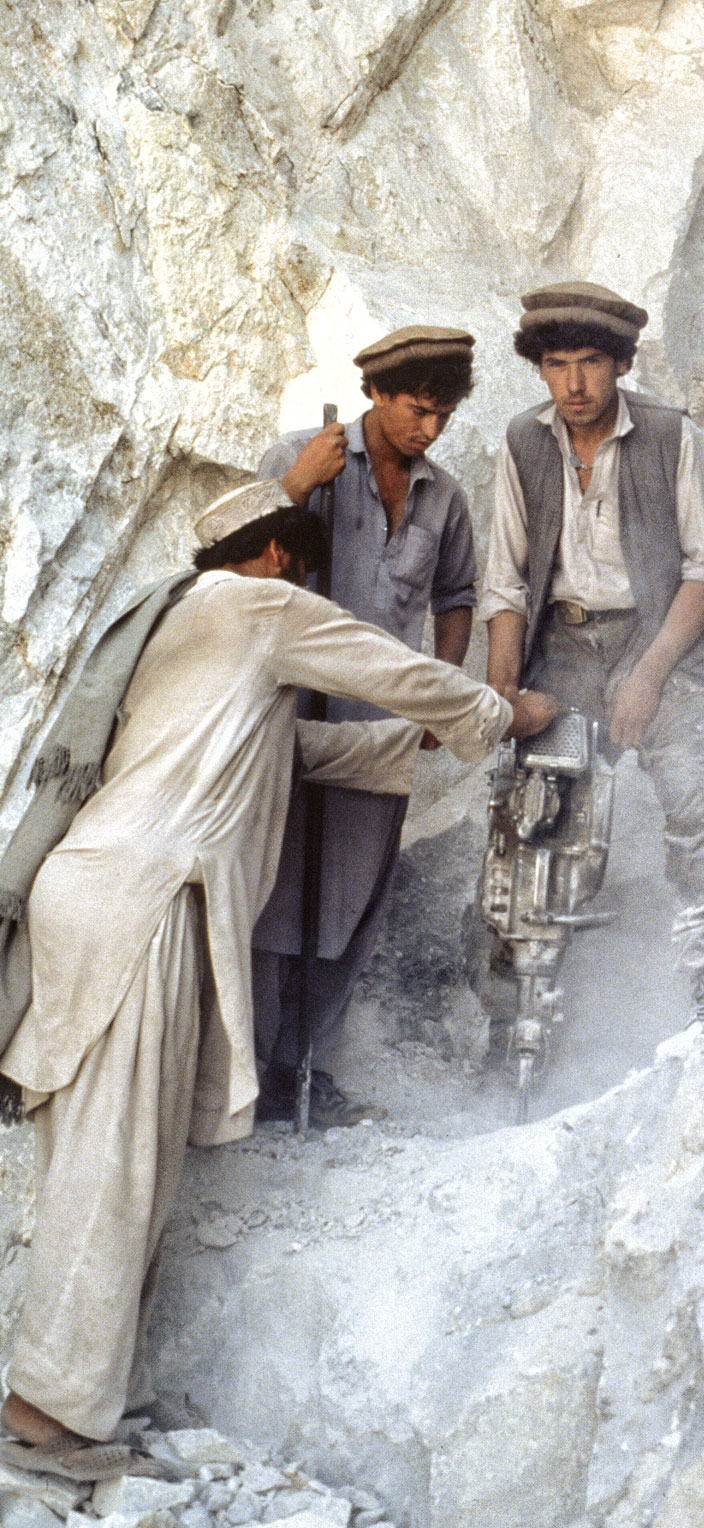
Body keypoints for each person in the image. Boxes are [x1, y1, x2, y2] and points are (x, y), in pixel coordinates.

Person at [0, 479, 556, 1479]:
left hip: (94, 891)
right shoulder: (256, 607)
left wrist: (411, 742)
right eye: (298, 567)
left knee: (114, 1155)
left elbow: (290, 751)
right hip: (143, 900)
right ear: (274, 559)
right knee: (115, 1161)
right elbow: (388, 664)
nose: (301, 583)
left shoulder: (182, 629)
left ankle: (91, 1394)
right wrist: (494, 711)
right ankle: (47, 1413)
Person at [479, 281, 704, 1032]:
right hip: (563, 651)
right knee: (534, 818)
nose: (574, 383)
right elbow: (504, 581)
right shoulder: (522, 441)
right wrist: (503, 692)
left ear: (622, 365)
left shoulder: (670, 435)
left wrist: (649, 675)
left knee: (695, 800)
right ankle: (519, 1010)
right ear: (538, 368)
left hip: (657, 640)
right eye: (557, 364)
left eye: (592, 362)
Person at [251, 326, 482, 1127]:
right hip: (292, 714)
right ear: (376, 395)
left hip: (382, 728)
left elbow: (456, 597)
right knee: (274, 893)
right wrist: (293, 485)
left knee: (352, 902)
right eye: (419, 410)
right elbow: (236, 560)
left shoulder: (444, 497)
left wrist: (439, 691)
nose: (429, 430)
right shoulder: (304, 454)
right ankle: (251, 1074)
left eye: (444, 416)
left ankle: (303, 1067)